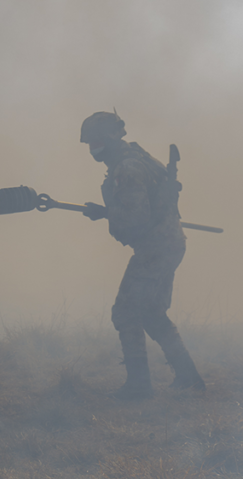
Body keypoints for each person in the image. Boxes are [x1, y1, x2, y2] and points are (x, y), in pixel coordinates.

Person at [80, 111, 205, 399]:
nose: (92, 148)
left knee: (125, 312)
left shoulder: (128, 168)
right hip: (170, 244)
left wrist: (104, 213)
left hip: (155, 249)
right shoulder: (143, 161)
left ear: (111, 138)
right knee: (151, 313)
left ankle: (139, 387)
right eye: (89, 143)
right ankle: (189, 377)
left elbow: (135, 217)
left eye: (95, 141)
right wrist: (106, 212)